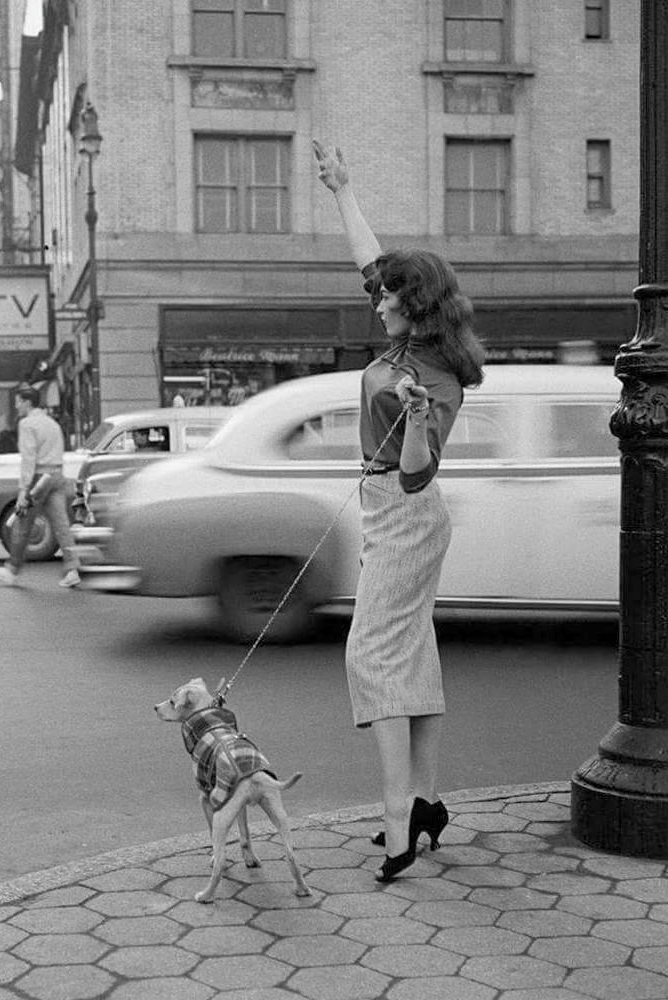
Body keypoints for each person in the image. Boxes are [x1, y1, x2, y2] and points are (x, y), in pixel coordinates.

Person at [314, 140, 485, 883]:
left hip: (407, 512)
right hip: (386, 506)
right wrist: (342, 189)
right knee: (407, 651)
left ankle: (395, 825)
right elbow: (369, 255)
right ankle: (425, 802)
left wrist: (416, 421)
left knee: (373, 656)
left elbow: (417, 477)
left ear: (413, 306)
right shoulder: (402, 342)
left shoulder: (436, 376)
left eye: (387, 294)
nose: (375, 299)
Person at [0, 386, 81, 588]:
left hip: (39, 478)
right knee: (61, 524)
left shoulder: (28, 424)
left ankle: (12, 570)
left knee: (22, 523)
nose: (17, 405)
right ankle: (73, 568)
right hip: (57, 475)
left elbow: (28, 459)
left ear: (28, 402)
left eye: (19, 401)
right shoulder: (52, 424)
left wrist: (23, 490)